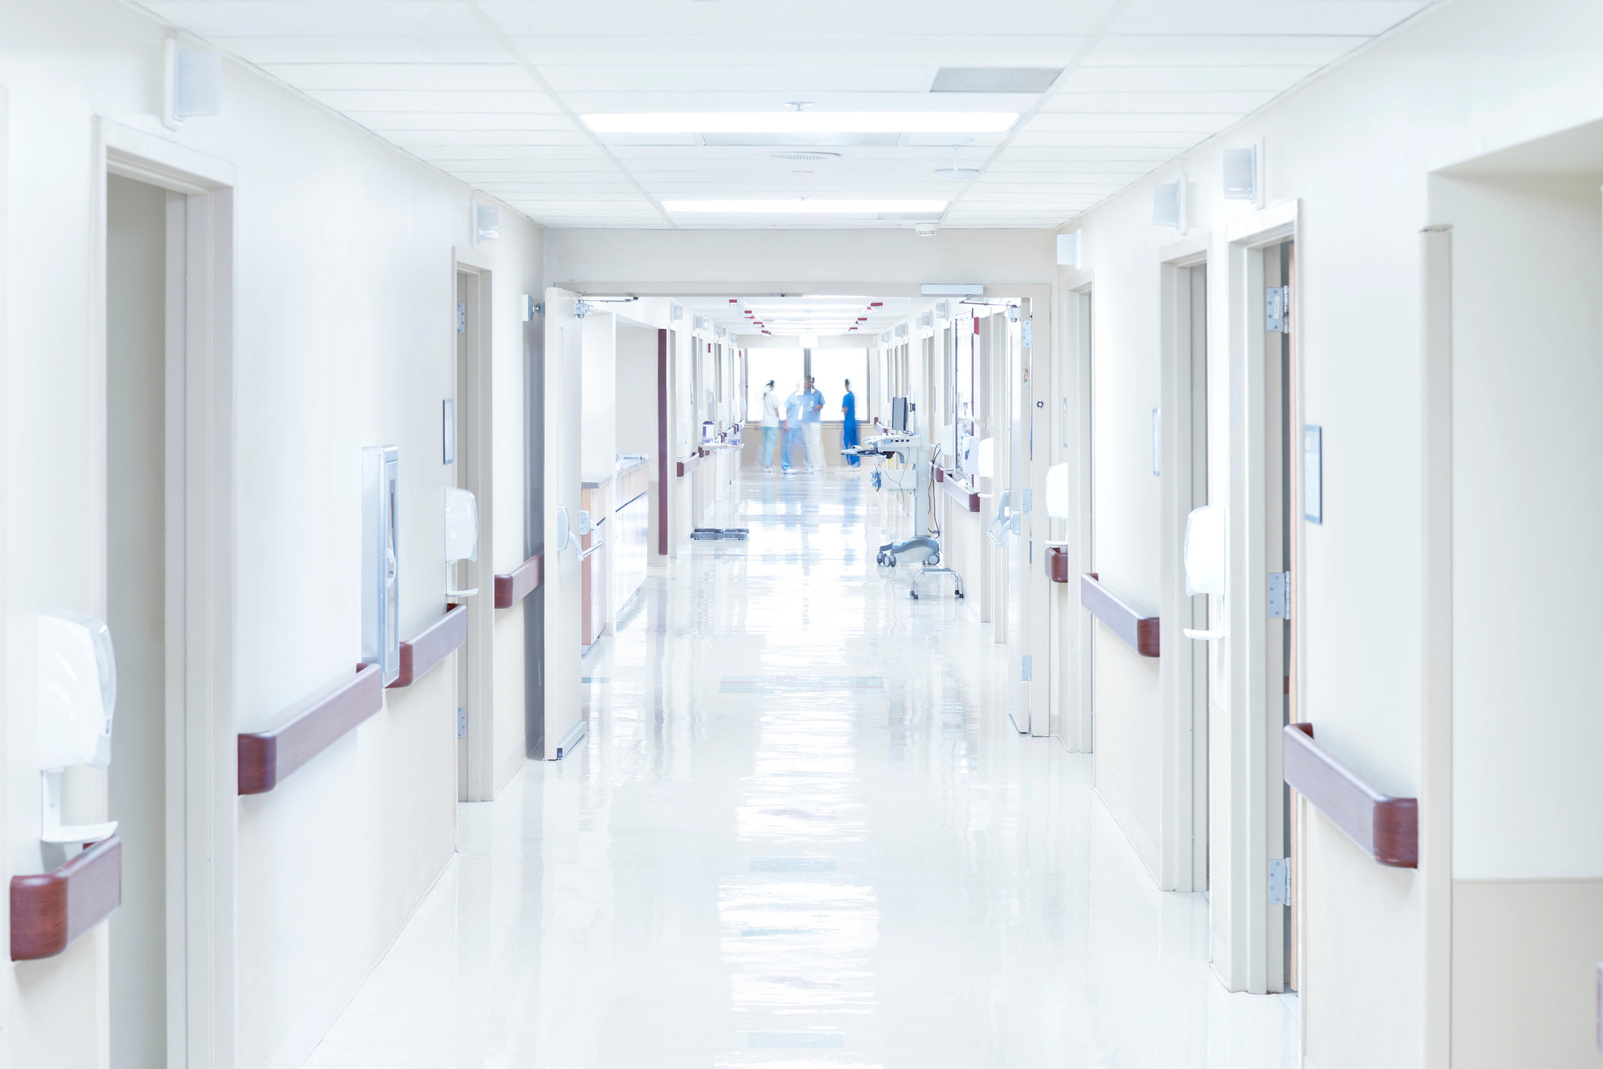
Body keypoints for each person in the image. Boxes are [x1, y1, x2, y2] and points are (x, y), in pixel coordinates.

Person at [801, 376, 826, 471]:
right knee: (808, 443)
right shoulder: (804, 394)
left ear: (813, 383)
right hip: (805, 421)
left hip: (814, 421)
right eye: (807, 382)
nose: (809, 384)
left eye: (810, 382)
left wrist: (818, 406)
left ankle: (817, 463)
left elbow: (822, 405)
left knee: (815, 442)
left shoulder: (818, 393)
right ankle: (810, 463)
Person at [759, 379, 783, 472]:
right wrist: (779, 419)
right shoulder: (774, 397)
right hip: (772, 423)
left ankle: (770, 463)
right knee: (770, 445)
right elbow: (776, 410)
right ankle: (767, 465)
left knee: (767, 445)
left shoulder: (764, 397)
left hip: (764, 423)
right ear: (772, 386)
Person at [782, 382, 805, 472]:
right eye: (796, 385)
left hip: (795, 425)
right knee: (786, 446)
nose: (797, 387)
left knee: (792, 446)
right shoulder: (790, 397)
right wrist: (787, 423)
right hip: (789, 425)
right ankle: (785, 466)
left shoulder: (796, 398)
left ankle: (789, 466)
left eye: (798, 385)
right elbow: (785, 411)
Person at [840, 378, 860, 467]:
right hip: (853, 423)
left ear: (846, 385)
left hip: (848, 423)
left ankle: (853, 462)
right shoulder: (852, 395)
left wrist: (842, 412)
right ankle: (856, 461)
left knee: (848, 443)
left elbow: (845, 409)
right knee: (854, 442)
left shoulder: (847, 397)